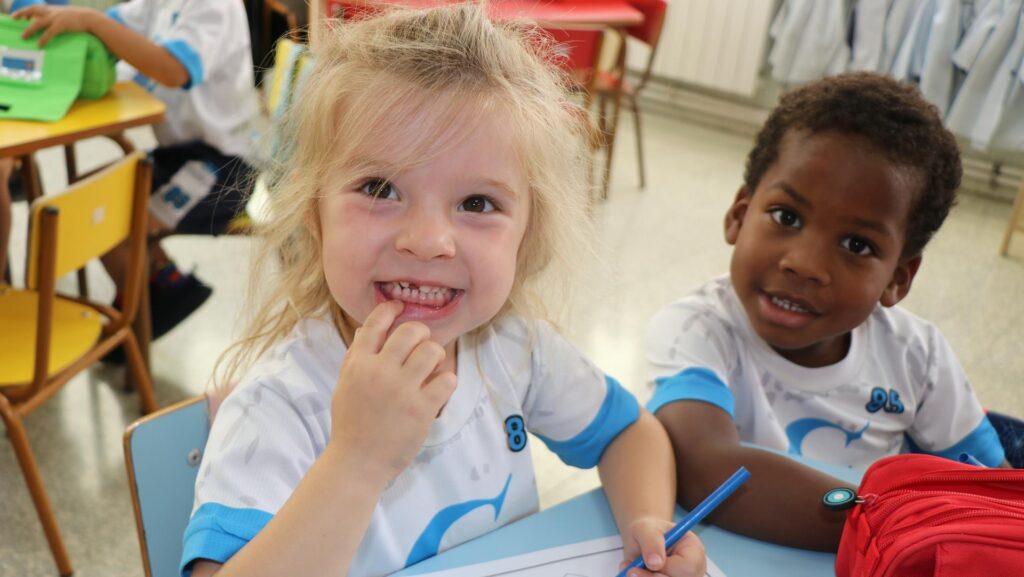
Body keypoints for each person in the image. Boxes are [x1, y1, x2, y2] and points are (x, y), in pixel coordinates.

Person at [182, 6, 706, 577]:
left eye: (478, 203)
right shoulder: (277, 406)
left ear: (527, 233)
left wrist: (648, 522)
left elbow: (629, 431)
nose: (429, 241)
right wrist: (357, 460)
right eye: (379, 188)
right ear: (314, 215)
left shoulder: (513, 348)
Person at [646, 72, 1011, 553]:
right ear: (739, 213)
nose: (805, 264)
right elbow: (704, 466)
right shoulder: (697, 330)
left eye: (857, 244)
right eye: (786, 217)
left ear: (898, 277)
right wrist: (897, 524)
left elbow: (996, 492)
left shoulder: (917, 357)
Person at [13, 0, 261, 339]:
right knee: (88, 195)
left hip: (224, 168)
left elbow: (172, 69)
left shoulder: (216, 6)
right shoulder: (158, 3)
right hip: (180, 156)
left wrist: (88, 20)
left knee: (99, 216)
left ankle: (144, 310)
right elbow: (114, 28)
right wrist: (68, 19)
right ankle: (160, 289)